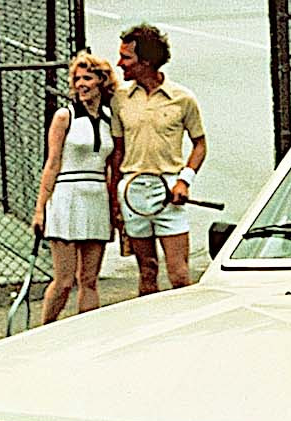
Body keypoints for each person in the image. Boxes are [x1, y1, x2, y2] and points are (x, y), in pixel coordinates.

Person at [108, 23, 207, 295]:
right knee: (147, 271)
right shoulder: (120, 99)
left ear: (147, 61)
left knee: (179, 275)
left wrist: (184, 181)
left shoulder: (183, 99)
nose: (120, 64)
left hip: (169, 192)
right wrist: (114, 198)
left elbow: (200, 144)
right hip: (133, 193)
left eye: (126, 58)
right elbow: (118, 152)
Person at [31, 51, 120, 322]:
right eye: (77, 79)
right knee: (64, 281)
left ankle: (87, 335)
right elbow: (52, 163)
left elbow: (112, 167)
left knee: (89, 280)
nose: (82, 84)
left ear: (101, 81)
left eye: (88, 78)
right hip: (67, 198)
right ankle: (44, 331)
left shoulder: (110, 118)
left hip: (97, 198)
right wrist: (40, 209)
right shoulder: (64, 116)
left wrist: (114, 208)